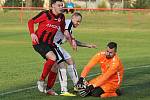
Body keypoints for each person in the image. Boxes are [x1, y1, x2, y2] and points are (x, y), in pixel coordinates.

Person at [28, 0, 74, 95]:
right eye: (59, 5)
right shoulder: (45, 14)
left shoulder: (61, 17)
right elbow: (31, 21)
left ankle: (48, 89)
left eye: (62, 5)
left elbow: (62, 29)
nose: (61, 7)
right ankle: (41, 81)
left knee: (55, 65)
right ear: (53, 6)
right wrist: (32, 33)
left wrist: (69, 37)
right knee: (53, 58)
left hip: (50, 43)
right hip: (39, 42)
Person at [53, 12, 97, 96]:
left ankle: (77, 85)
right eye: (77, 21)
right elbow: (66, 33)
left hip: (57, 45)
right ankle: (63, 90)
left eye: (80, 22)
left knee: (71, 61)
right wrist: (72, 41)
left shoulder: (69, 26)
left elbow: (72, 39)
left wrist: (88, 45)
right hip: (52, 44)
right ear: (73, 18)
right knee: (62, 65)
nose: (78, 23)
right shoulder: (68, 23)